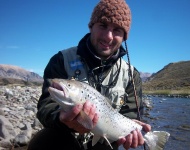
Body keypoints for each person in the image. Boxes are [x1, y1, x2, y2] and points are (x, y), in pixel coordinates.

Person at [28, 0, 151, 149]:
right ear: (91, 26)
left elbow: (130, 115)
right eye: (103, 26)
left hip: (105, 145)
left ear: (124, 37)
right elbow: (45, 107)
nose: (108, 37)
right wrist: (61, 119)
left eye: (117, 30)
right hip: (66, 141)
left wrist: (131, 135)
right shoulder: (61, 60)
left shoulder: (131, 75)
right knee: (43, 140)